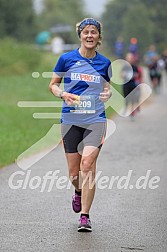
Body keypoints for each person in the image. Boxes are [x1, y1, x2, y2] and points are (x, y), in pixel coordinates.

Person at [49, 18, 112, 232]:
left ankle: (85, 216)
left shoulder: (104, 63)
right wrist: (62, 93)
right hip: (71, 120)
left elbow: (107, 88)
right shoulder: (66, 59)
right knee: (75, 174)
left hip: (96, 119)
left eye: (94, 32)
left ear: (98, 37)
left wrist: (107, 93)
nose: (90, 36)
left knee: (88, 166)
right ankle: (78, 191)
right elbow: (53, 85)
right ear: (80, 35)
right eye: (86, 32)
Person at [122, 53, 140, 119]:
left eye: (131, 58)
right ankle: (126, 107)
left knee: (132, 98)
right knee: (126, 98)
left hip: (132, 84)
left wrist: (134, 75)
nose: (129, 59)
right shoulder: (124, 66)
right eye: (128, 58)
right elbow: (121, 75)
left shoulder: (135, 67)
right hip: (126, 84)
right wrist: (123, 75)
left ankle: (132, 113)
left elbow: (138, 75)